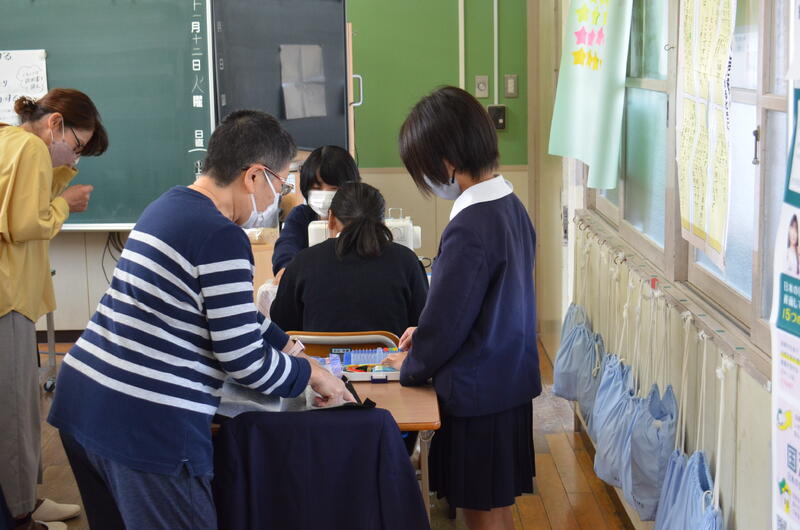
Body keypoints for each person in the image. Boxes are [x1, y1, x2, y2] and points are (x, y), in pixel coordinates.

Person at [47, 110, 352, 530]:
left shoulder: (168, 205)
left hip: (84, 399)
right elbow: (243, 360)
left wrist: (284, 343)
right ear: (254, 176)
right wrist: (310, 373)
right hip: (144, 421)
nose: (276, 200)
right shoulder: (222, 235)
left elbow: (227, 310)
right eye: (281, 185)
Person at [383, 86, 541, 530]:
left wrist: (412, 364)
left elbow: (448, 323)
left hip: (477, 394)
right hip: (508, 380)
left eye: (423, 167)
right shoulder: (511, 206)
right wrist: (427, 333)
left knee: (480, 515)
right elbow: (483, 305)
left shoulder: (470, 225)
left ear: (447, 162)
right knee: (497, 509)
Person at [0, 88, 108, 530]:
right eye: (77, 145)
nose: (75, 155)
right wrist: (67, 203)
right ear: (55, 123)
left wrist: (64, 174)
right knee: (14, 413)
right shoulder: (28, 147)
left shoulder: (10, 139)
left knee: (21, 407)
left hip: (12, 291)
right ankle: (19, 514)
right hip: (8, 294)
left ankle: (26, 499)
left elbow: (30, 199)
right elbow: (27, 222)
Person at [270, 182, 428, 338]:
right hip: (388, 355)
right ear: (382, 221)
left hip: (318, 355)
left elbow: (282, 322)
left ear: (331, 218)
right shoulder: (407, 262)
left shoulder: (303, 262)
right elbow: (424, 323)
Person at [271, 145, 361, 276]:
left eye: (334, 188)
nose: (324, 195)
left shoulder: (361, 215)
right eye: (317, 188)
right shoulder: (300, 216)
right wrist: (286, 268)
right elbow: (286, 246)